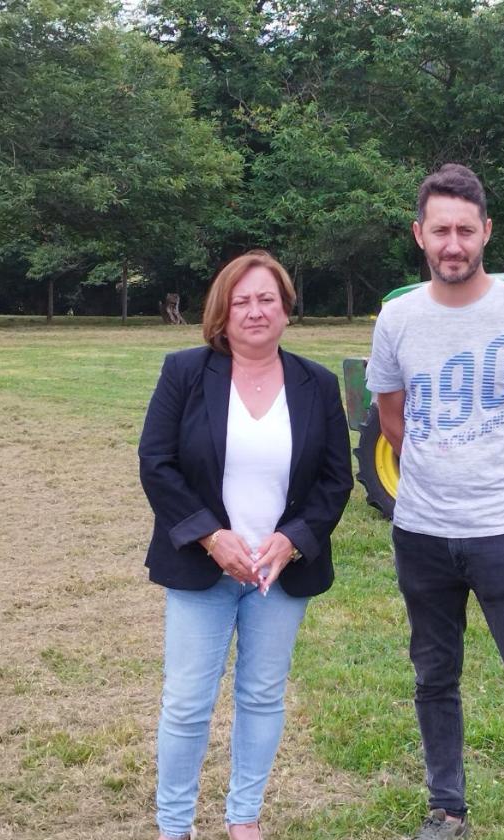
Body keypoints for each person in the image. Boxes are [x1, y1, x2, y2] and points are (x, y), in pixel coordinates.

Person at [366, 163, 504, 840]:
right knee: (434, 677)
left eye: (466, 229)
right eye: (441, 230)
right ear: (420, 235)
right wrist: (437, 481)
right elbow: (391, 420)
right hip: (423, 535)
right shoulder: (397, 318)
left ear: (486, 232)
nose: (454, 243)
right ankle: (446, 809)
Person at [138, 250, 353, 840]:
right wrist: (211, 536)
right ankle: (174, 826)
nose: (255, 311)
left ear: (286, 309)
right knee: (186, 704)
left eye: (267, 299)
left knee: (261, 697)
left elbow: (336, 480)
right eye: (242, 301)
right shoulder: (185, 372)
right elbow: (156, 464)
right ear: (222, 312)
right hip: (202, 568)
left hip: (278, 575)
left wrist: (292, 541)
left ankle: (244, 819)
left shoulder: (317, 384)